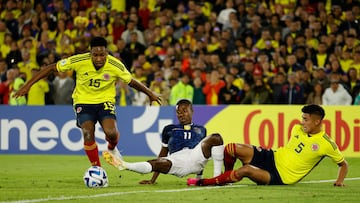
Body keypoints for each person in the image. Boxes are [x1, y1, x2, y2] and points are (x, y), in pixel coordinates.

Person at [13, 36, 162, 166]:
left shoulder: (115, 65)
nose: (98, 59)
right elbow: (51, 68)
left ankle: (111, 148)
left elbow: (131, 81)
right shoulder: (78, 60)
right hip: (83, 101)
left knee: (111, 133)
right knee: (88, 133)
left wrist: (150, 93)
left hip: (105, 101)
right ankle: (97, 168)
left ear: (107, 53)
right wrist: (27, 86)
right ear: (90, 53)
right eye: (95, 55)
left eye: (102, 55)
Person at [188, 104, 348, 187]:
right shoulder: (297, 128)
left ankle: (205, 182)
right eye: (302, 118)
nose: (302, 122)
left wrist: (339, 181)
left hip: (282, 177)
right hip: (272, 156)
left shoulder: (326, 143)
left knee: (245, 170)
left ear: (317, 121)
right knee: (231, 148)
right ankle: (227, 177)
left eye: (306, 119)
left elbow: (343, 164)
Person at [103, 99, 224, 184]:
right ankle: (124, 165)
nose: (181, 114)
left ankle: (217, 178)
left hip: (195, 156)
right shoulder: (169, 129)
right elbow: (163, 152)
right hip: (177, 161)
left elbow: (203, 152)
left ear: (192, 111)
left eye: (184, 110)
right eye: (178, 112)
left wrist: (199, 177)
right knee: (157, 163)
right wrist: (153, 179)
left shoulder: (201, 129)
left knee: (216, 137)